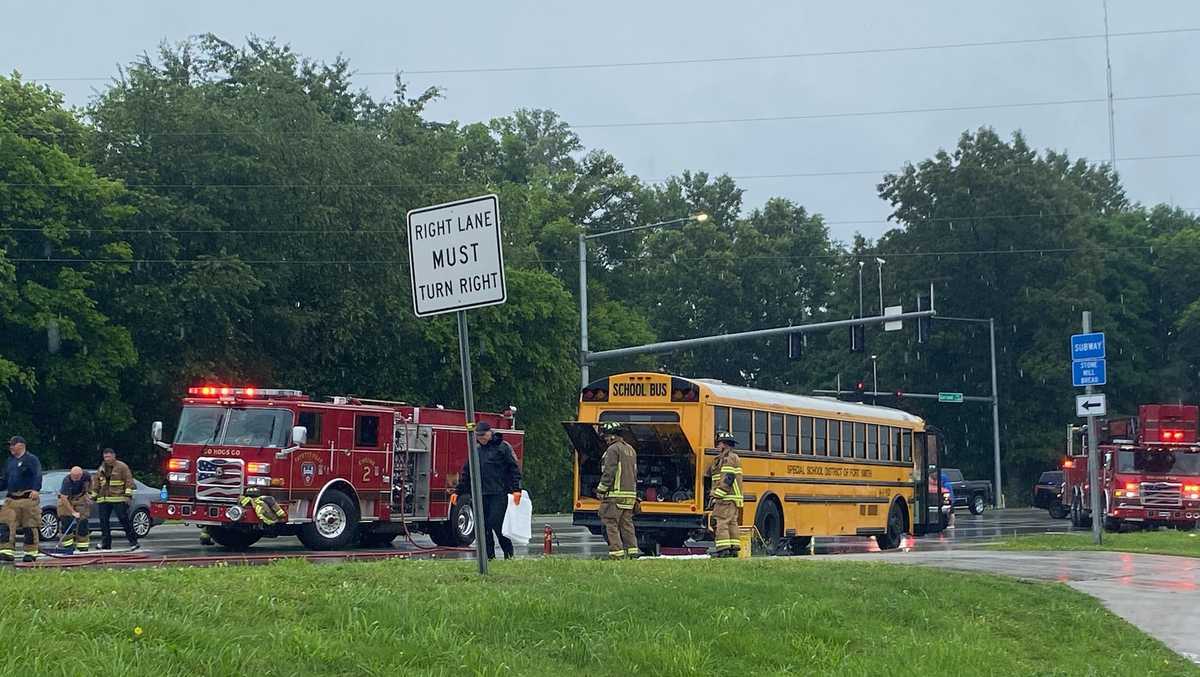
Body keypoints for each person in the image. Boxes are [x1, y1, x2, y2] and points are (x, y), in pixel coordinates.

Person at [452, 422, 522, 560]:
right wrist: (457, 492)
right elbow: (467, 473)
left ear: (490, 433)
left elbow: (514, 469)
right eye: (478, 436)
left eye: (483, 435)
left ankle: (509, 555)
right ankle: (489, 557)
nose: (481, 438)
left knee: (497, 523)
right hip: (480, 494)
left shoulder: (503, 448)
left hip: (499, 493)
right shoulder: (476, 451)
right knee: (483, 527)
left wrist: (516, 489)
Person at [595, 421, 639, 559]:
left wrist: (601, 490)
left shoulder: (613, 449)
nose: (606, 439)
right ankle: (633, 553)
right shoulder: (630, 449)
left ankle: (616, 554)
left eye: (606, 436)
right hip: (630, 496)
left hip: (615, 495)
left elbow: (609, 472)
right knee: (627, 525)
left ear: (613, 436)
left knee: (611, 523)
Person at [0, 435, 43, 562]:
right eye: (10, 445)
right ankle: (6, 551)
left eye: (13, 445)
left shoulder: (32, 459)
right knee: (5, 524)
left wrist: (36, 489)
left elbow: (38, 474)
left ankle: (31, 552)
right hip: (12, 498)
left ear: (21, 445)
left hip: (27, 498)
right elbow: (4, 480)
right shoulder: (9, 461)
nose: (11, 448)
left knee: (29, 525)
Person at [92, 448, 140, 551]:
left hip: (118, 498)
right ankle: (106, 543)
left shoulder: (122, 467)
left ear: (114, 456)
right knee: (103, 522)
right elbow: (96, 482)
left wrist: (127, 495)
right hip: (103, 499)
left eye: (109, 457)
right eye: (105, 457)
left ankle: (133, 542)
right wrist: (93, 495)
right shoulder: (101, 468)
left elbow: (128, 481)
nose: (107, 459)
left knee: (123, 519)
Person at [707, 431, 744, 558]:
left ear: (724, 445)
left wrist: (717, 494)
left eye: (719, 444)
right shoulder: (728, 458)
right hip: (731, 498)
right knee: (731, 522)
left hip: (725, 498)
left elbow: (727, 478)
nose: (717, 446)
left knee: (720, 522)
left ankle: (723, 549)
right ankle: (733, 548)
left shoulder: (728, 459)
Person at [57, 466, 93, 553]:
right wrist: (72, 512)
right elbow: (64, 498)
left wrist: (89, 495)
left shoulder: (86, 475)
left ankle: (83, 547)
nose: (75, 479)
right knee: (65, 520)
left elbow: (91, 485)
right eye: (74, 476)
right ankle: (68, 546)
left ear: (81, 474)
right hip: (67, 499)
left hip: (80, 498)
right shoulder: (67, 481)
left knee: (83, 522)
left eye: (77, 477)